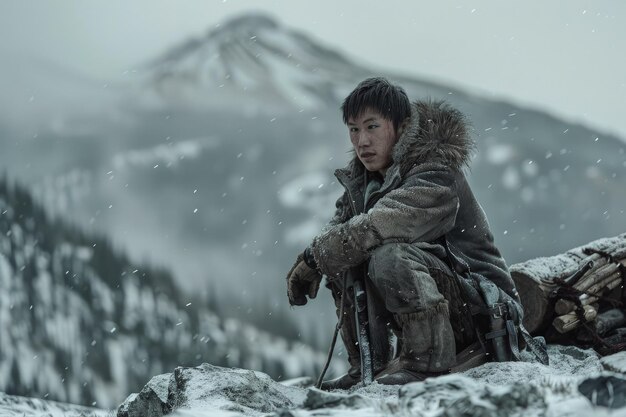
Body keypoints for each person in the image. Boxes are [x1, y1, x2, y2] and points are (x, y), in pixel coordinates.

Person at [286, 77, 523, 388]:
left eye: (372, 127)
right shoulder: (366, 183)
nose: (362, 141)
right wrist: (317, 258)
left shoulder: (436, 173)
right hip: (446, 310)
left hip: (483, 317)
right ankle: (369, 367)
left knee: (388, 252)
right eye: (354, 130)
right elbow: (340, 231)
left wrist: (314, 259)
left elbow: (381, 226)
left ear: (400, 126)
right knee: (345, 257)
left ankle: (427, 363)